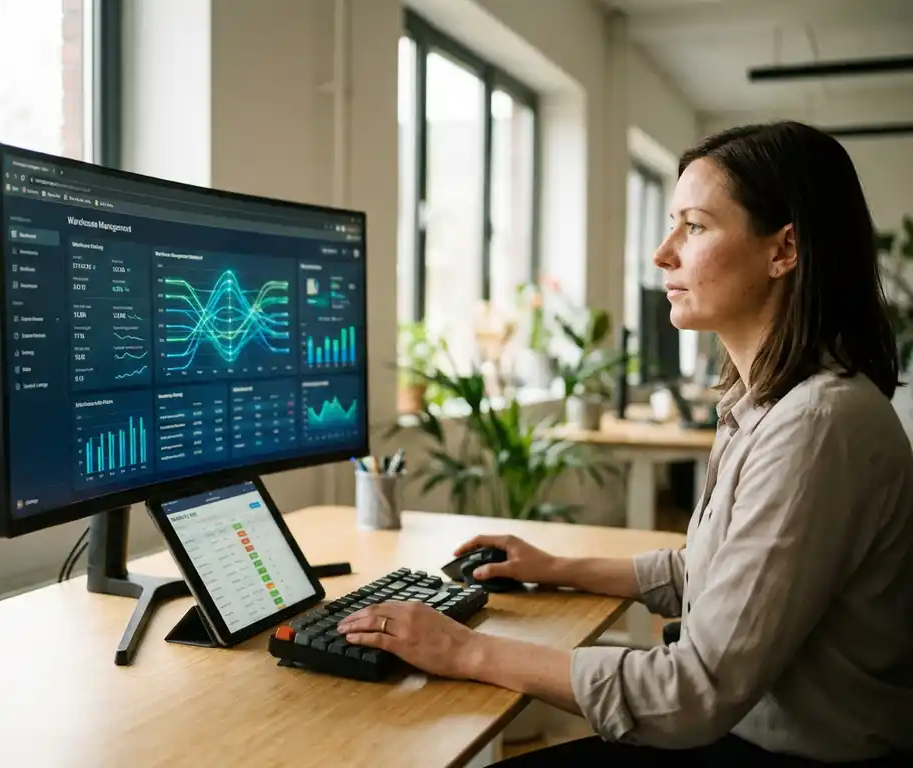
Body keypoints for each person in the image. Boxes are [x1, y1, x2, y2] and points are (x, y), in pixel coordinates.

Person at [337, 121, 913, 765]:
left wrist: (465, 651)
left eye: (693, 226)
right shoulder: (768, 405)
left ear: (784, 250)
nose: (663, 253)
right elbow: (709, 569)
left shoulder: (815, 426)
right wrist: (555, 568)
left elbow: (689, 693)